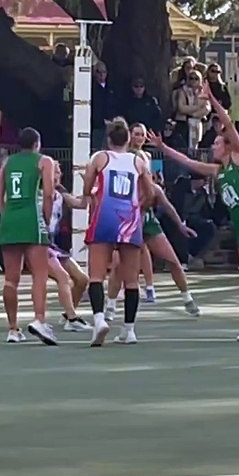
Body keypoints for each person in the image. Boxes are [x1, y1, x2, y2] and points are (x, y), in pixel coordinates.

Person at [151, 82, 239, 342]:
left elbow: (229, 125)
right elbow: (188, 162)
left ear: (227, 146)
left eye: (216, 143)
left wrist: (212, 98)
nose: (213, 147)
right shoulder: (218, 171)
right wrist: (163, 148)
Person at [104, 123, 201, 318]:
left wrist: (181, 226)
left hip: (148, 224)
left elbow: (168, 206)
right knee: (121, 267)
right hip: (128, 225)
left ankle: (187, 298)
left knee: (173, 261)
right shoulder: (124, 186)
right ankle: (111, 306)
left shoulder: (153, 187)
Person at [81, 119, 154, 346]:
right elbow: (151, 193)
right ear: (128, 139)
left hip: (105, 217)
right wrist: (138, 206)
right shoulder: (138, 162)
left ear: (108, 138)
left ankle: (99, 319)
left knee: (96, 274)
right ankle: (129, 329)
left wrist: (91, 192)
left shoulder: (100, 158)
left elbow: (87, 188)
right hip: (129, 220)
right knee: (131, 280)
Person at [0, 127, 58, 345]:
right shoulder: (44, 161)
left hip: (10, 219)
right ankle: (39, 319)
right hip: (31, 217)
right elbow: (48, 193)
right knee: (40, 274)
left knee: (11, 279)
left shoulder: (7, 162)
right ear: (37, 144)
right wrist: (46, 219)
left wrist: (6, 215)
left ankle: (12, 328)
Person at [46, 165, 91, 331]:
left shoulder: (60, 193)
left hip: (54, 245)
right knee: (63, 277)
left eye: (59, 171)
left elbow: (82, 204)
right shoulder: (36, 192)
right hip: (38, 244)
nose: (57, 174)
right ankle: (72, 318)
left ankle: (67, 316)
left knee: (82, 279)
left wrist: (87, 187)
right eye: (54, 171)